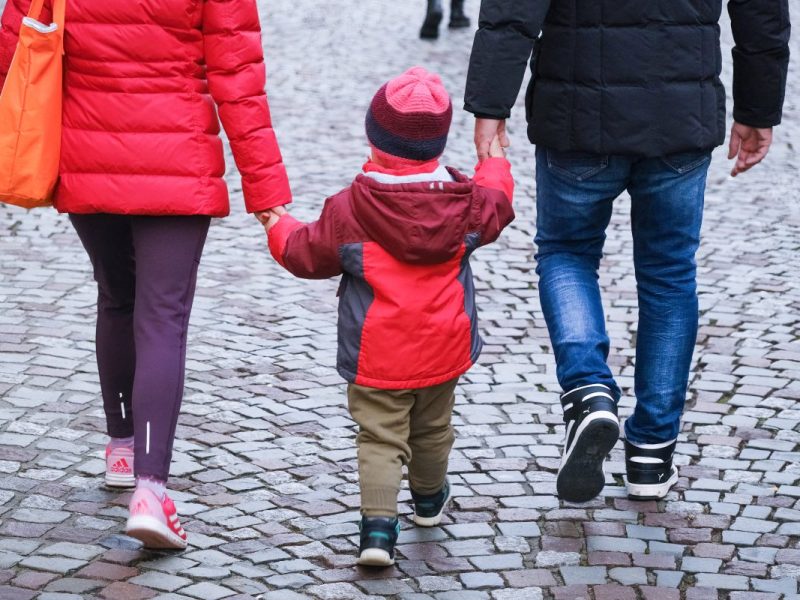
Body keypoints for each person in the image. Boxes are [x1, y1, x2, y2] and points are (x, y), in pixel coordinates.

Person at [464, 1, 790, 503]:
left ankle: (589, 391)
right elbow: (761, 13)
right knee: (669, 274)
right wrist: (757, 107)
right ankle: (652, 453)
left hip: (577, 114)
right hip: (680, 112)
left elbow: (512, 10)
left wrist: (490, 105)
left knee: (566, 253)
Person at [0, 0, 291, 548]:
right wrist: (268, 196)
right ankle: (151, 492)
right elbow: (238, 77)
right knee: (161, 318)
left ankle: (121, 446)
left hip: (83, 153)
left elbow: (15, 51)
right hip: (177, 160)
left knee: (116, 299)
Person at [261, 67, 514, 566]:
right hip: (445, 341)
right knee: (433, 426)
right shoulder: (465, 205)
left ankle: (377, 529)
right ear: (438, 146)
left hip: (377, 350)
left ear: (374, 140)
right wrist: (493, 162)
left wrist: (277, 224)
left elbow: (303, 254)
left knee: (379, 435)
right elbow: (499, 203)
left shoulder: (350, 208)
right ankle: (427, 499)